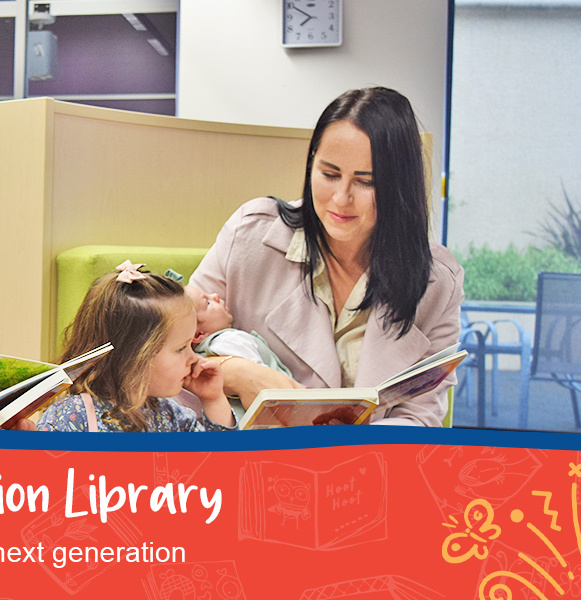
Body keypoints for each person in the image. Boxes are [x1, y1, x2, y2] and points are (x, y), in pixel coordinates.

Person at [189, 87, 463, 427]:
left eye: (366, 182)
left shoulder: (437, 281)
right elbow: (166, 349)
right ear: (311, 165)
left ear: (399, 188)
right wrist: (241, 373)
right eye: (329, 174)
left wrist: (347, 451)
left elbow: (419, 416)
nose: (341, 198)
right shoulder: (251, 236)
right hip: (247, 460)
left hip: (369, 466)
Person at [37, 262, 236, 432]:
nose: (194, 359)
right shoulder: (70, 418)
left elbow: (221, 465)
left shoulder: (173, 417)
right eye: (181, 348)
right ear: (134, 357)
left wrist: (213, 399)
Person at [184, 284, 292, 379]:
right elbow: (259, 375)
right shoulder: (227, 341)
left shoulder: (211, 349)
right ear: (199, 335)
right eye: (207, 303)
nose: (215, 296)